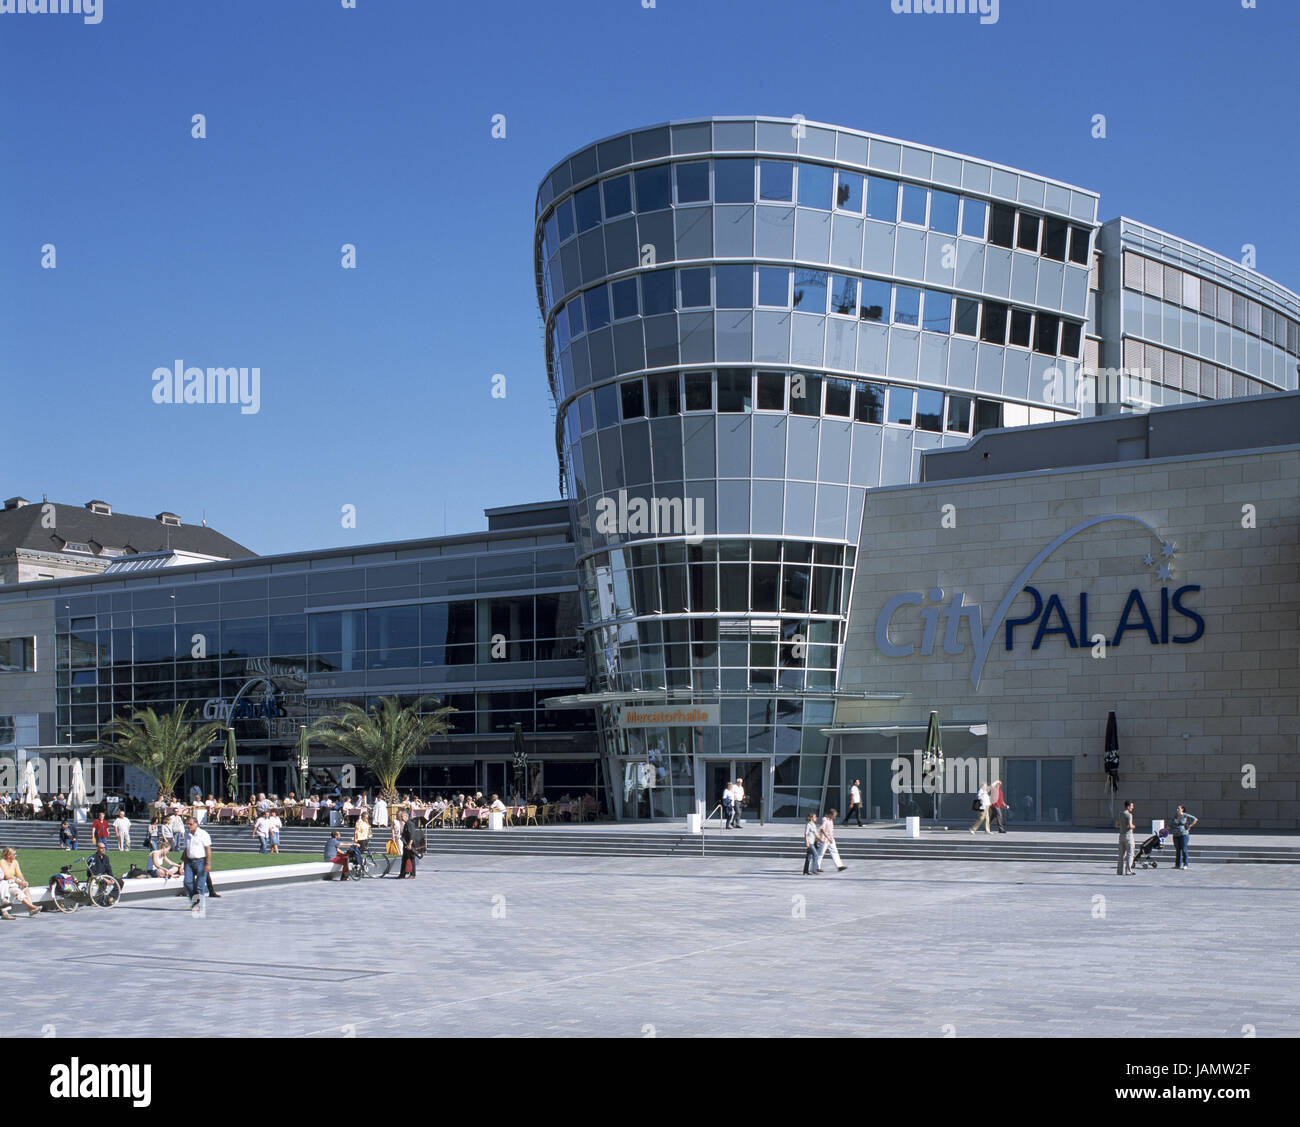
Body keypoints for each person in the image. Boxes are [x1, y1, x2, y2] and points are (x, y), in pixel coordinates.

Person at [0, 847, 42, 919]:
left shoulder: (15, 862)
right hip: (8, 883)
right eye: (14, 854)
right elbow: (7, 875)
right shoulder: (2, 862)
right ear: (9, 855)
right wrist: (19, 882)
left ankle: (31, 909)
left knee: (26, 888)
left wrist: (23, 881)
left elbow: (19, 874)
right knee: (17, 891)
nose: (16, 856)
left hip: (13, 882)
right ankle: (31, 907)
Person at [182, 816, 212, 910]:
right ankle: (194, 900)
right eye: (187, 824)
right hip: (189, 862)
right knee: (187, 882)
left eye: (190, 824)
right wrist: (183, 862)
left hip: (201, 861)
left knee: (200, 885)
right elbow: (186, 849)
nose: (188, 826)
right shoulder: (187, 835)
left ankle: (197, 904)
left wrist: (207, 863)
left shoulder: (203, 834)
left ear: (196, 824)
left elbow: (208, 849)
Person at [1169, 804, 1199, 870]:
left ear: (1182, 809)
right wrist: (1165, 829)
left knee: (1184, 849)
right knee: (1178, 850)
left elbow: (1195, 819)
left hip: (1184, 835)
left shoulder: (1185, 815)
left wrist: (1190, 826)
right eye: (1177, 808)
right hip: (1176, 835)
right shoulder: (1175, 816)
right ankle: (1177, 865)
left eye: (1178, 808)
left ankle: (1185, 864)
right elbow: (1171, 824)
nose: (1177, 810)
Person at [399, 812, 424, 879]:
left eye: (402, 816)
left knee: (411, 859)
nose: (400, 818)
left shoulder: (410, 824)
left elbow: (412, 835)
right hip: (406, 844)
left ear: (406, 816)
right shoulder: (406, 824)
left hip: (410, 845)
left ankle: (413, 874)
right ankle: (402, 874)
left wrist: (410, 844)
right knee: (404, 859)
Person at [1115, 800, 1136, 876]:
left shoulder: (1120, 814)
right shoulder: (1129, 815)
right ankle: (1128, 871)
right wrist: (1134, 826)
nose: (1132, 808)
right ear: (1128, 806)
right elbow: (1130, 826)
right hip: (1128, 836)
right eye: (1131, 806)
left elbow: (1116, 825)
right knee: (1130, 853)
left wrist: (1122, 826)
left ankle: (1119, 871)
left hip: (1121, 836)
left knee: (1121, 854)